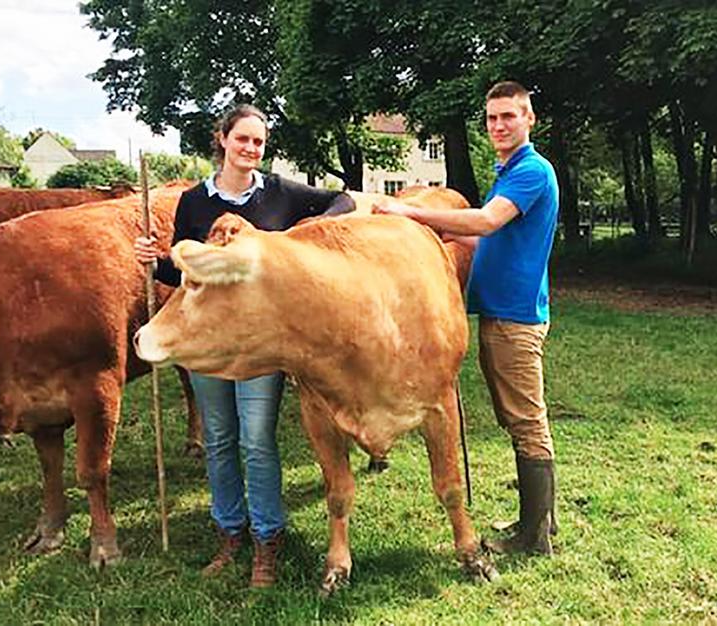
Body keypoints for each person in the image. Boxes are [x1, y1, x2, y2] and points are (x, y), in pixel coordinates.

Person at [135, 104, 355, 586]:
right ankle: (229, 532)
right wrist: (158, 258)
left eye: (258, 142)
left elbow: (343, 202)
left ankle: (266, 541)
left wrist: (298, 239)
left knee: (256, 441)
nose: (251, 149)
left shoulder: (278, 194)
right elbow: (184, 271)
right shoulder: (194, 201)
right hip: (208, 343)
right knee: (217, 439)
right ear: (223, 139)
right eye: (243, 139)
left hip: (258, 343)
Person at [373, 81, 559, 556]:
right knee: (516, 416)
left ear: (528, 119)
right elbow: (487, 242)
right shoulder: (510, 170)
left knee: (525, 419)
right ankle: (540, 520)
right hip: (502, 311)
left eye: (508, 117)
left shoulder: (531, 171)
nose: (499, 126)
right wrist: (432, 247)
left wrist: (407, 212)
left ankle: (534, 537)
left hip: (515, 318)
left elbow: (485, 223)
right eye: (492, 118)